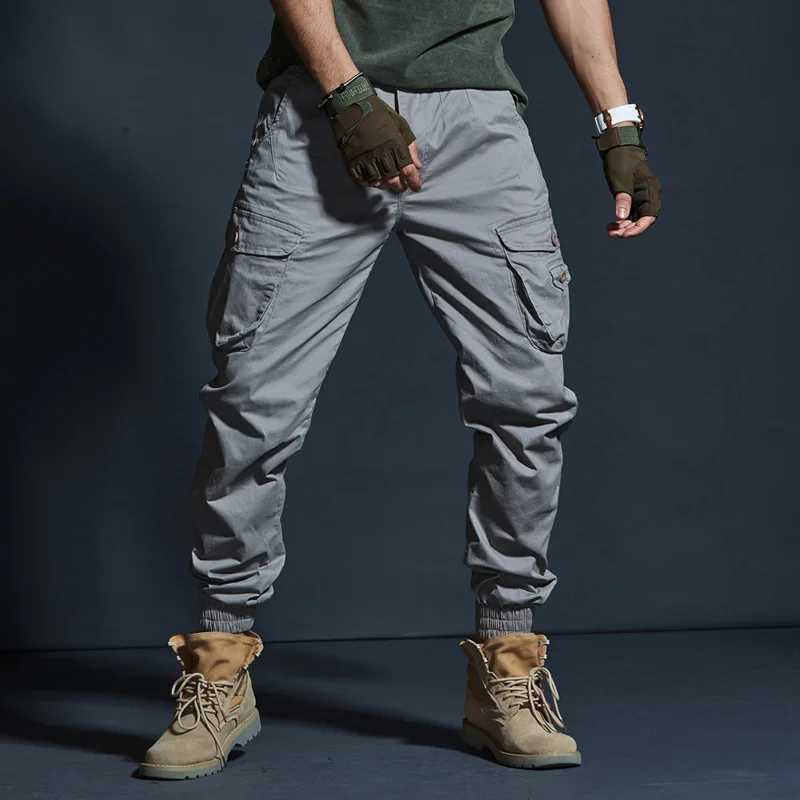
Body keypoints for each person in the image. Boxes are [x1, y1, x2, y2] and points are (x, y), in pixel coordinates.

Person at [138, 0, 660, 779]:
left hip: (477, 121)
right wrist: (349, 97)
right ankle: (218, 668)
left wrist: (618, 126)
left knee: (525, 404)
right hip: (321, 110)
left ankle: (508, 669)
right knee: (253, 405)